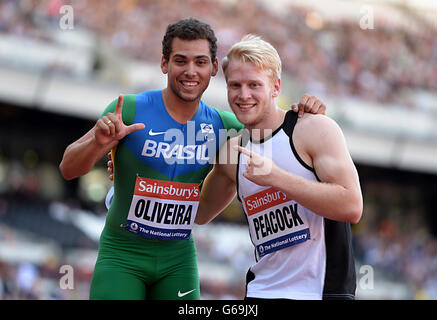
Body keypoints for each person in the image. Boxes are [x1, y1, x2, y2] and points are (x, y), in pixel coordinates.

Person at [60, 18, 326, 300]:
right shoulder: (128, 110)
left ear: (213, 68)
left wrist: (305, 113)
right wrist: (98, 143)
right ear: (164, 64)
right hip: (122, 256)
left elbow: (278, 134)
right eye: (180, 61)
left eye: (200, 62)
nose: (190, 71)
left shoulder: (228, 127)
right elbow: (68, 168)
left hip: (178, 261)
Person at [194, 35, 363, 300]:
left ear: (276, 87)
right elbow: (198, 213)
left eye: (254, 85)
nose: (243, 95)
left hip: (320, 293)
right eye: (235, 85)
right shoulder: (231, 153)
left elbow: (352, 206)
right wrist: (128, 170)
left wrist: (276, 178)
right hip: (262, 292)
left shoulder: (313, 129)